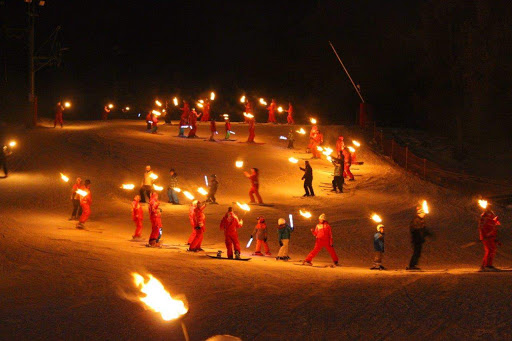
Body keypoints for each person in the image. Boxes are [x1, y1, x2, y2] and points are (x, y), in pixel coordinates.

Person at [406, 206, 431, 270]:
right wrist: (419, 236)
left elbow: (423, 229)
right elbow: (416, 229)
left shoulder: (421, 220)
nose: (424, 215)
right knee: (416, 252)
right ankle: (412, 265)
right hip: (416, 239)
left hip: (419, 239)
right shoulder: (416, 220)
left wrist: (427, 234)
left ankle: (413, 265)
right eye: (423, 214)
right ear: (420, 214)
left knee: (418, 252)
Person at [479, 205, 501, 272]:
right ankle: (488, 266)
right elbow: (482, 227)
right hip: (487, 237)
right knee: (491, 250)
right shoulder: (485, 217)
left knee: (490, 250)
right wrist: (484, 236)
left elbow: (493, 229)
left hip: (490, 237)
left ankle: (484, 266)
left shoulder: (491, 219)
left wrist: (495, 239)